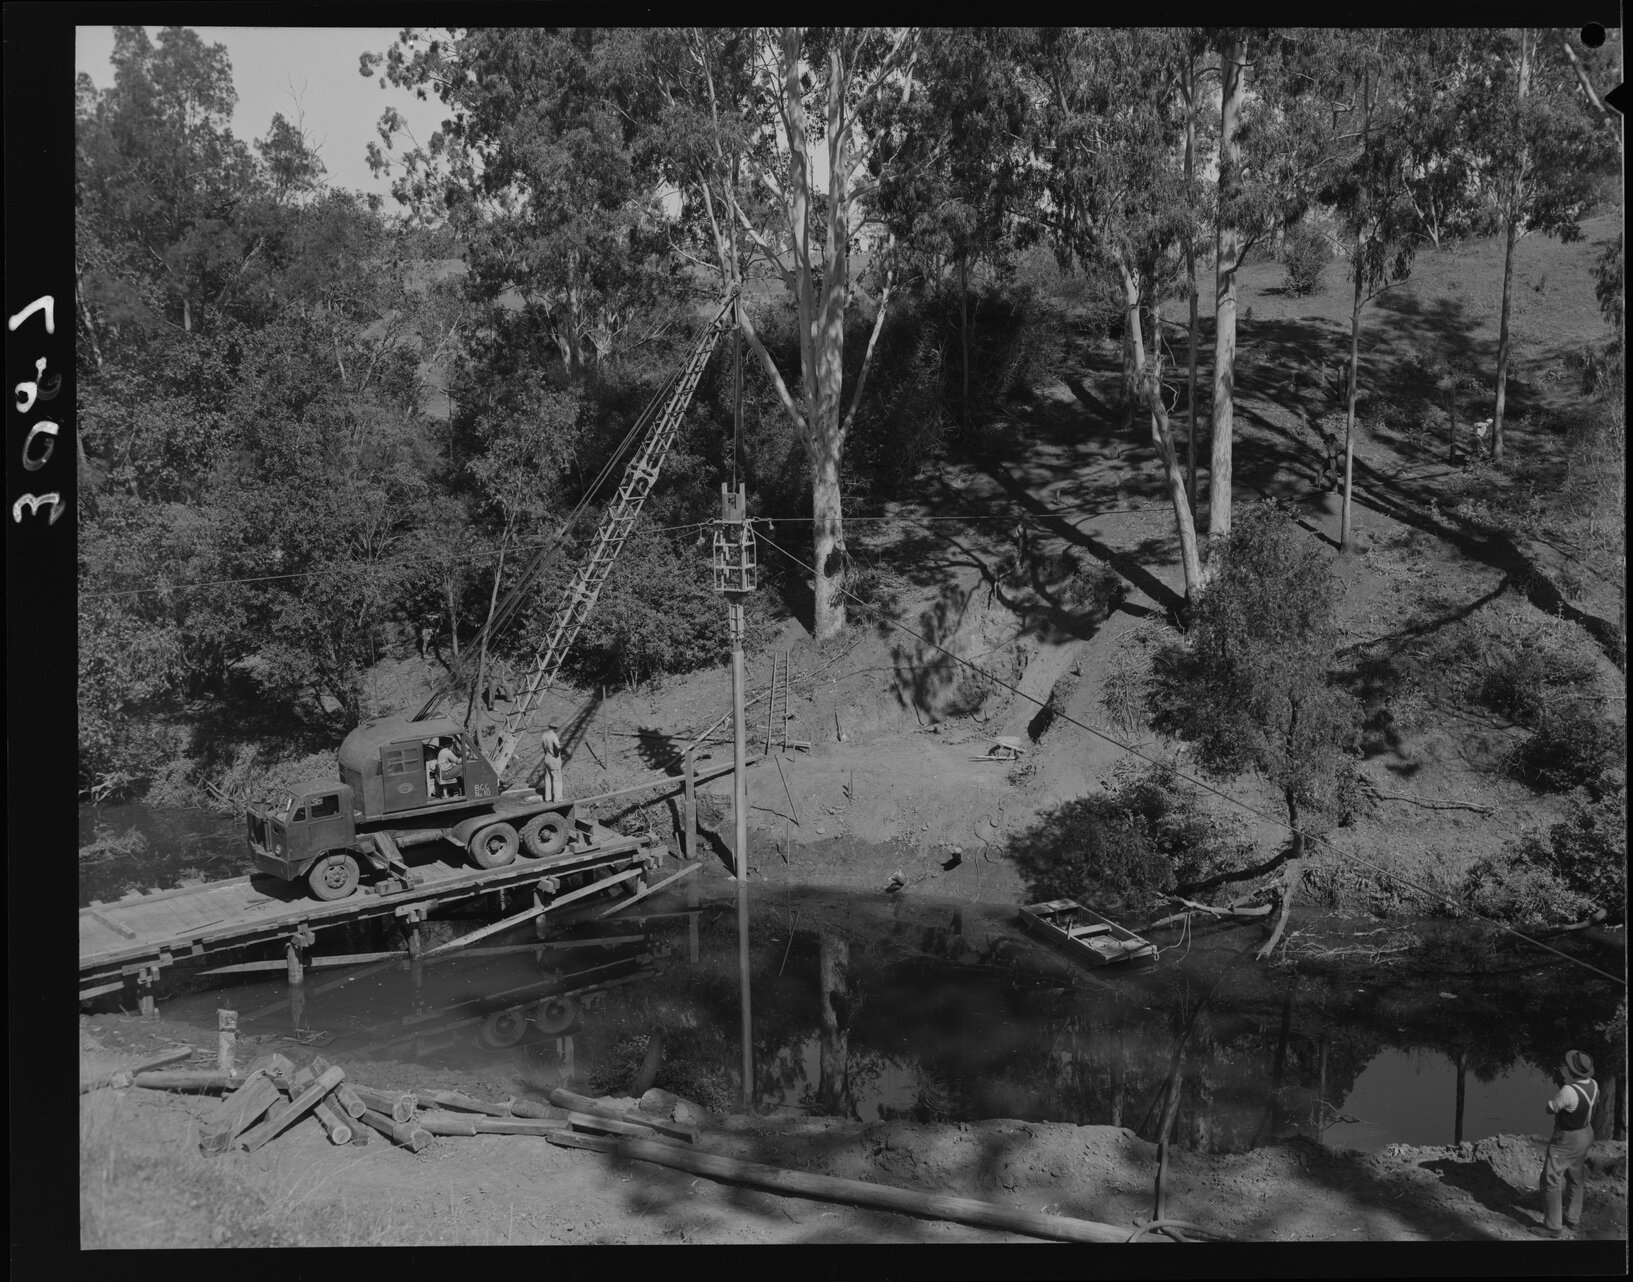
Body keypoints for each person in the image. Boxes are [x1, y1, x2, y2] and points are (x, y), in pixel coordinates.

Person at [1536, 1049, 1599, 1237]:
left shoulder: (1568, 1091)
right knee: (1575, 1176)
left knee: (1550, 1179)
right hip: (1586, 1134)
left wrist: (1561, 1087)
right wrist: (1562, 1084)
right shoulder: (1594, 1084)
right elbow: (1577, 1103)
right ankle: (1572, 1218)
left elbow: (1550, 1108)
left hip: (1567, 1139)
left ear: (1573, 1071)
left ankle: (1552, 1227)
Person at [540, 722, 565, 802]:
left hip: (547, 757)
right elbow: (557, 747)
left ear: (549, 726)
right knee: (556, 778)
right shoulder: (554, 736)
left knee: (548, 778)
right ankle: (557, 798)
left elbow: (543, 747)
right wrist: (557, 752)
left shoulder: (544, 735)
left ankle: (548, 798)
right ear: (555, 728)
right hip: (554, 758)